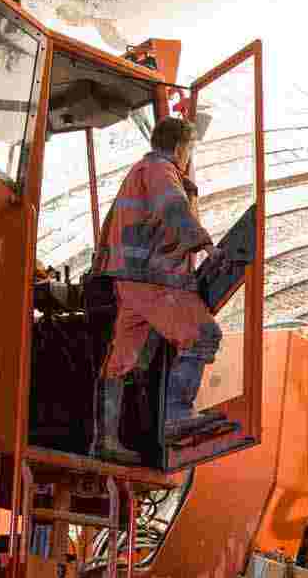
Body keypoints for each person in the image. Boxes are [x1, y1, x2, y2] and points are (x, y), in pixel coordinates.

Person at [90, 114, 222, 463]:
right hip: (153, 278)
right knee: (203, 334)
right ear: (180, 146)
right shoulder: (161, 170)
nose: (188, 155)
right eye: (189, 148)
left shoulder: (138, 172)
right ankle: (176, 417)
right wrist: (205, 245)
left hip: (130, 279)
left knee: (121, 360)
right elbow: (173, 206)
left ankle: (106, 441)